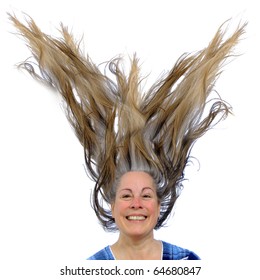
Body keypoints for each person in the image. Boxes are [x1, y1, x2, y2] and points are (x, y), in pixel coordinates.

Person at [9, 13, 246, 260]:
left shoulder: (188, 263)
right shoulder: (92, 269)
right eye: (126, 195)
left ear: (159, 205)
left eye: (146, 195)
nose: (136, 204)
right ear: (111, 206)